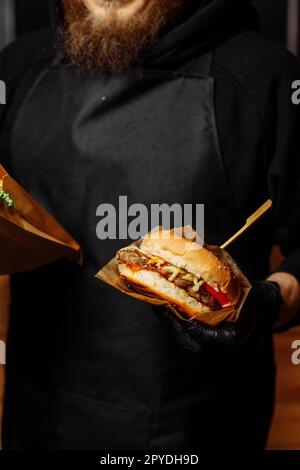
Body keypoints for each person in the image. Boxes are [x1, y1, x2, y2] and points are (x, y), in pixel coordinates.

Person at [0, 0, 300, 450]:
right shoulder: (18, 66)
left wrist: (264, 305)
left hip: (194, 425)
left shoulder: (265, 75)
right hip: (36, 410)